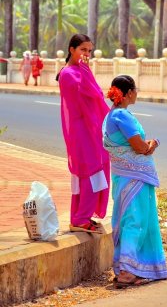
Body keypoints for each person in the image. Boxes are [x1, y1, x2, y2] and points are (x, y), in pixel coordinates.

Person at [103, 75, 167, 288]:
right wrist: (152, 144)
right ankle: (128, 271)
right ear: (129, 93)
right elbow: (139, 147)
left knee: (130, 219)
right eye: (135, 90)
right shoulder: (122, 115)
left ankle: (128, 267)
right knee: (135, 220)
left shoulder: (112, 115)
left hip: (124, 176)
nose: (137, 93)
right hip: (134, 178)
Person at [57, 34, 110, 234]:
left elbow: (96, 94)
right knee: (89, 171)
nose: (86, 54)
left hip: (91, 128)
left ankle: (80, 216)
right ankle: (80, 218)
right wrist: (87, 71)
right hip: (81, 129)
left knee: (94, 169)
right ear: (72, 49)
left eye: (89, 51)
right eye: (83, 50)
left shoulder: (81, 70)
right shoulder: (69, 73)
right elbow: (89, 95)